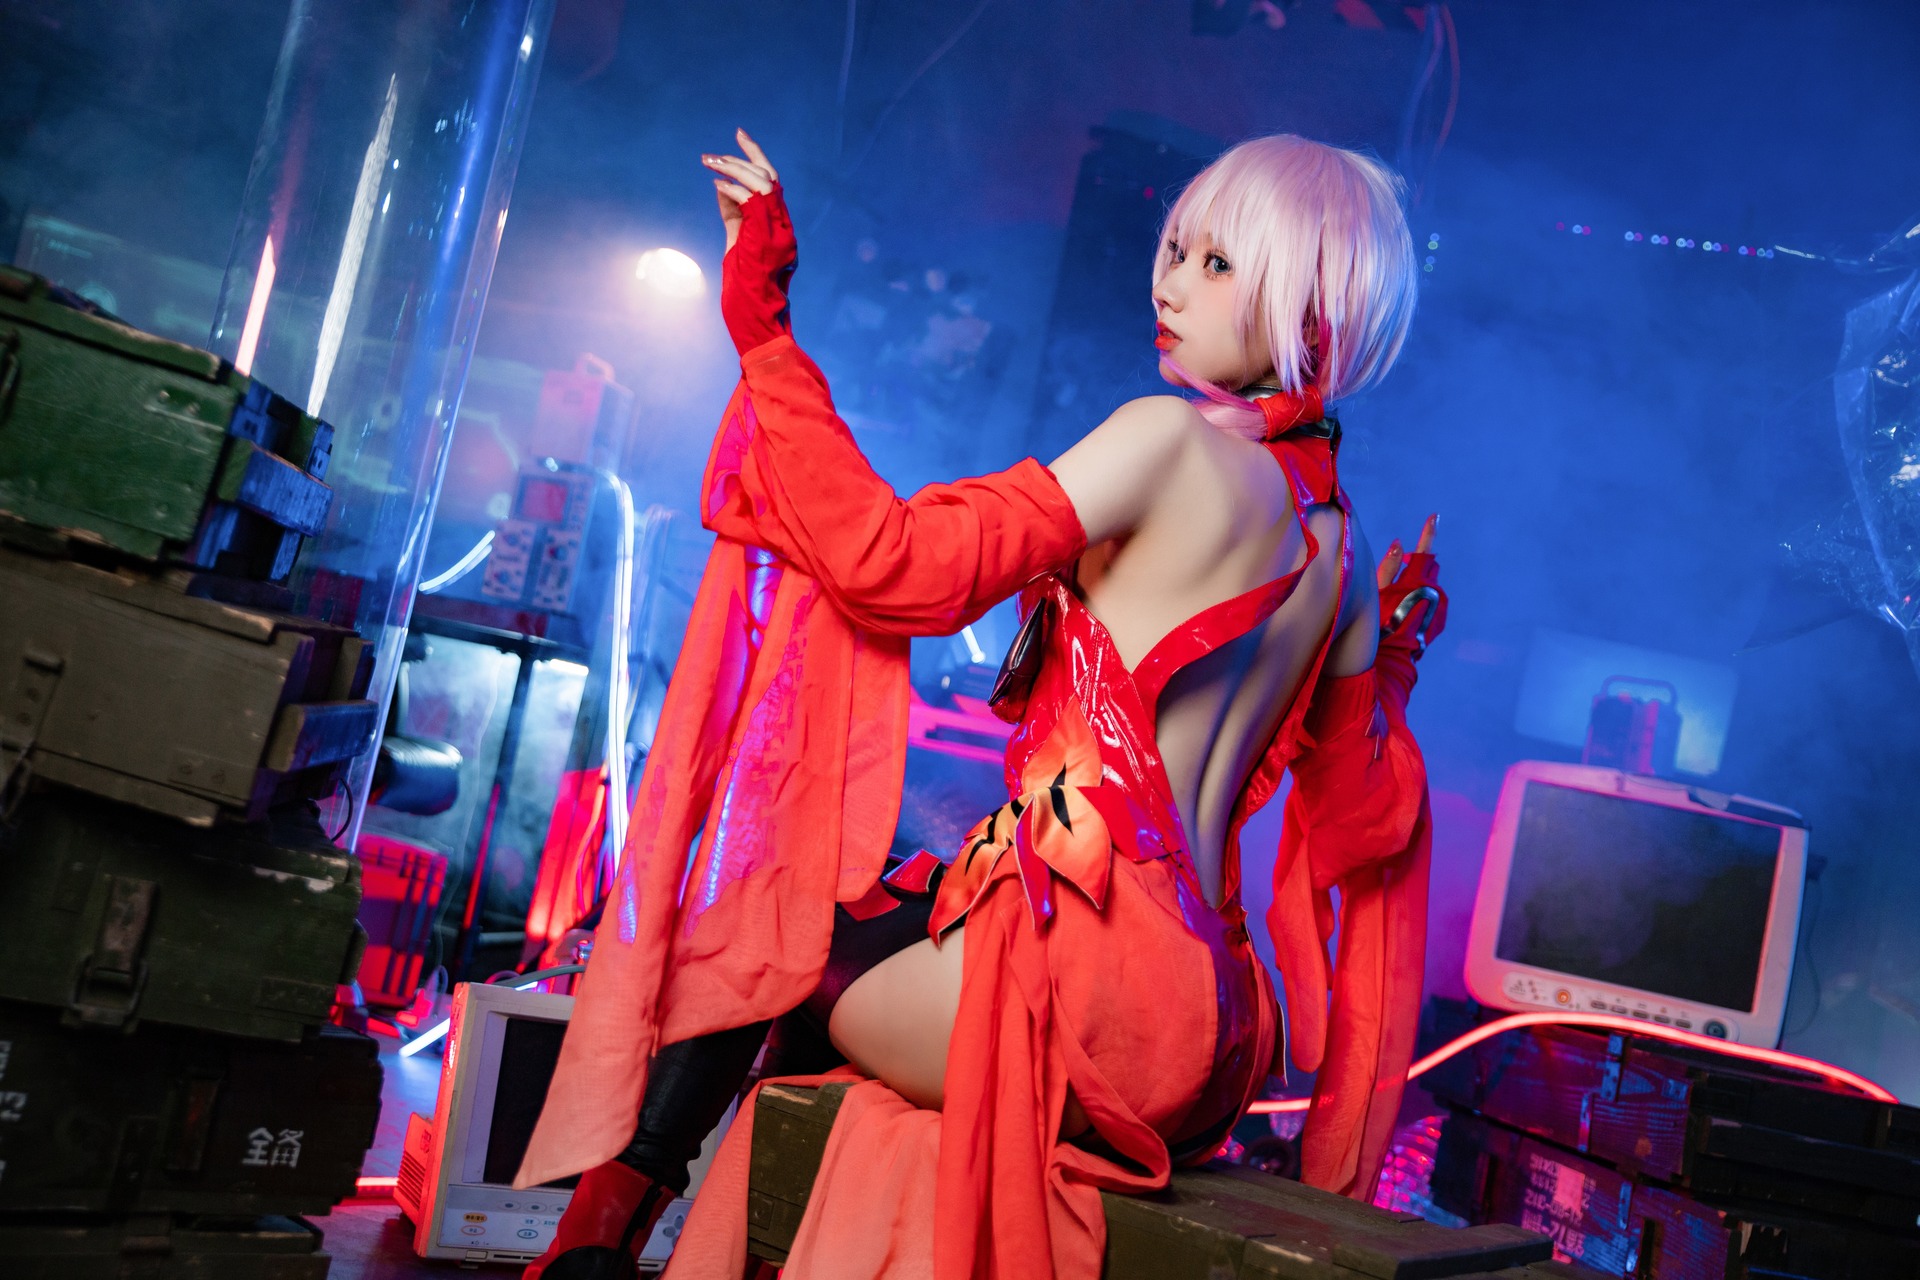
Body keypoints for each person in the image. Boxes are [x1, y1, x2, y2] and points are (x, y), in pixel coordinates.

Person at [516, 129, 1445, 1280]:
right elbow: (1361, 818)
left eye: (1217, 265)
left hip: (1088, 1002)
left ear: (1312, 311)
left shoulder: (1163, 443)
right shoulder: (1342, 546)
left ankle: (596, 1247)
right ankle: (628, 1240)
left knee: (769, 928)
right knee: (873, 912)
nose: (1168, 284)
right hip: (1217, 1037)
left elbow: (898, 563)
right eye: (1175, 250)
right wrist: (1393, 657)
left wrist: (765, 335)